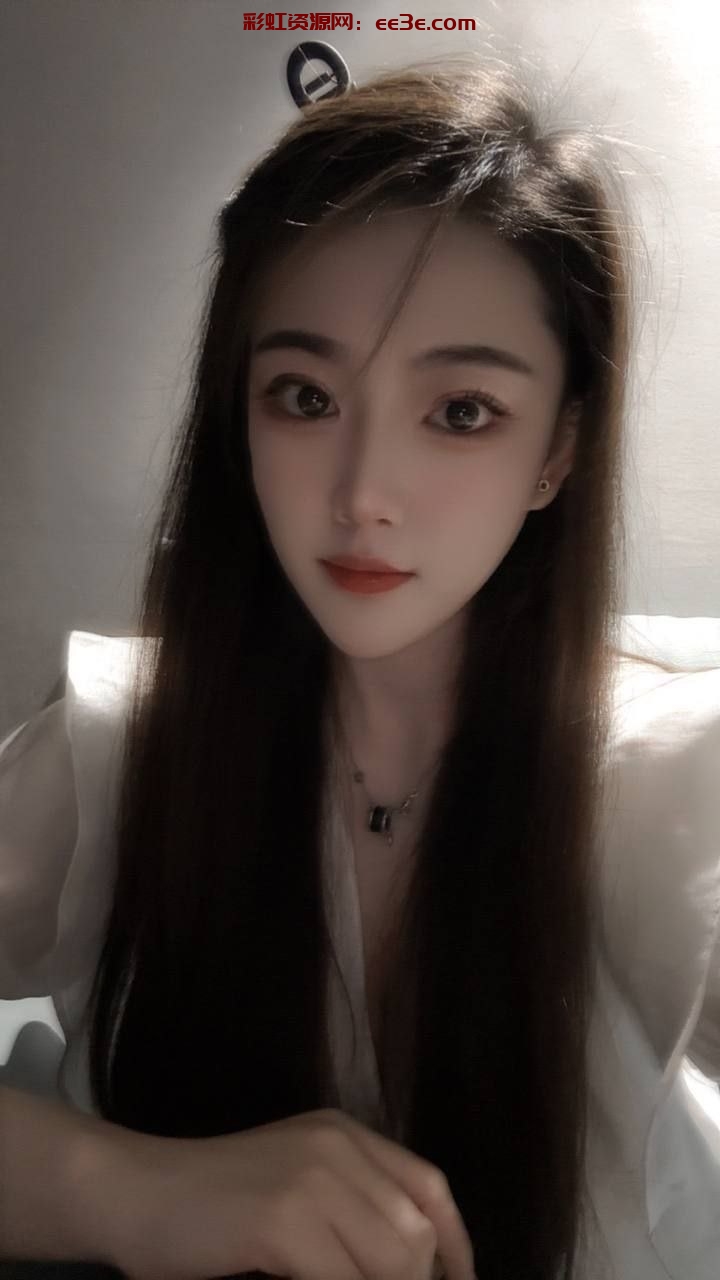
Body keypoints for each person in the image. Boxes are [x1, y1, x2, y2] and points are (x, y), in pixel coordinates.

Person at [1, 53, 719, 1280]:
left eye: (460, 411)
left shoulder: (667, 782)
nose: (362, 494)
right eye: (303, 395)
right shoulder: (121, 748)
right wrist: (126, 1189)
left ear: (557, 450)